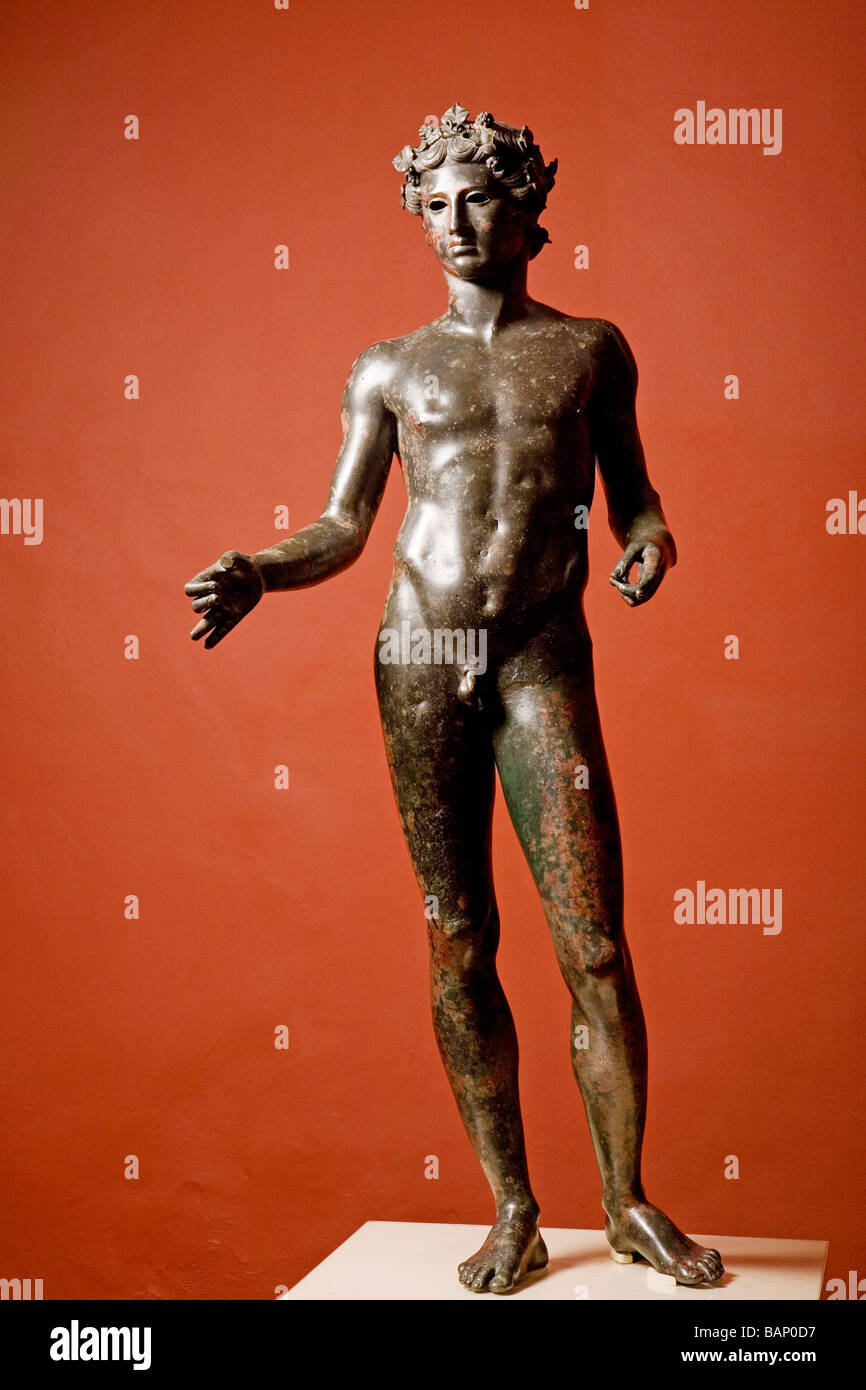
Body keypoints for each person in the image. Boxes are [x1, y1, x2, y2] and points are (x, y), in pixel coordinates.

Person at [184, 103, 724, 1295]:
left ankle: (625, 1199)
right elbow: (340, 524)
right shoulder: (390, 366)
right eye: (432, 200)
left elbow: (632, 492)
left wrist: (651, 537)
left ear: (529, 202)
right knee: (457, 936)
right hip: (419, 658)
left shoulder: (587, 348)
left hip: (542, 656)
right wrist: (261, 571)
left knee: (588, 939)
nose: (454, 221)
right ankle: (514, 1207)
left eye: (477, 195)